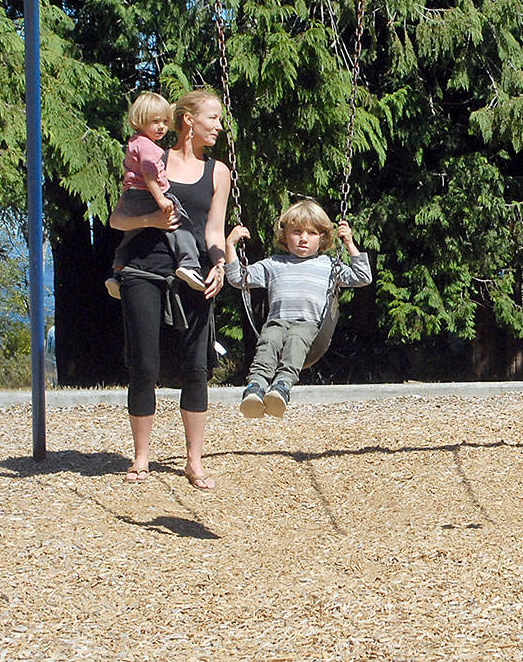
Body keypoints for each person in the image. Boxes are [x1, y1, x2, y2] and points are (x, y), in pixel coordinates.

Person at [108, 89, 230, 490]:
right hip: (144, 268)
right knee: (144, 364)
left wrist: (221, 264)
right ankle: (141, 457)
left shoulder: (218, 172)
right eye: (213, 118)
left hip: (194, 271)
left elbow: (213, 231)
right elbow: (117, 220)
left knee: (197, 366)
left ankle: (194, 460)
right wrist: (152, 222)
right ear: (189, 120)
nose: (219, 127)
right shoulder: (152, 157)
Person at [224, 199, 372, 419]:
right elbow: (238, 278)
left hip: (310, 326)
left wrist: (349, 243)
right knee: (268, 342)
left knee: (296, 340)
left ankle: (281, 387)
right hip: (278, 320)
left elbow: (363, 277)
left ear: (322, 237)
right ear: (285, 236)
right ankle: (255, 387)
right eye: (296, 232)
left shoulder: (328, 265)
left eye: (311, 233)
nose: (303, 238)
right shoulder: (274, 264)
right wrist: (230, 246)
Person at [105, 92, 205, 299]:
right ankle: (189, 263)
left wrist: (176, 108)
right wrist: (160, 198)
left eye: (165, 122)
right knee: (180, 223)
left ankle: (118, 270)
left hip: (132, 197)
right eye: (155, 121)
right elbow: (149, 174)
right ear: (140, 121)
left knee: (131, 235)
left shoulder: (135, 142)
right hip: (147, 194)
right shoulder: (149, 147)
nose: (162, 127)